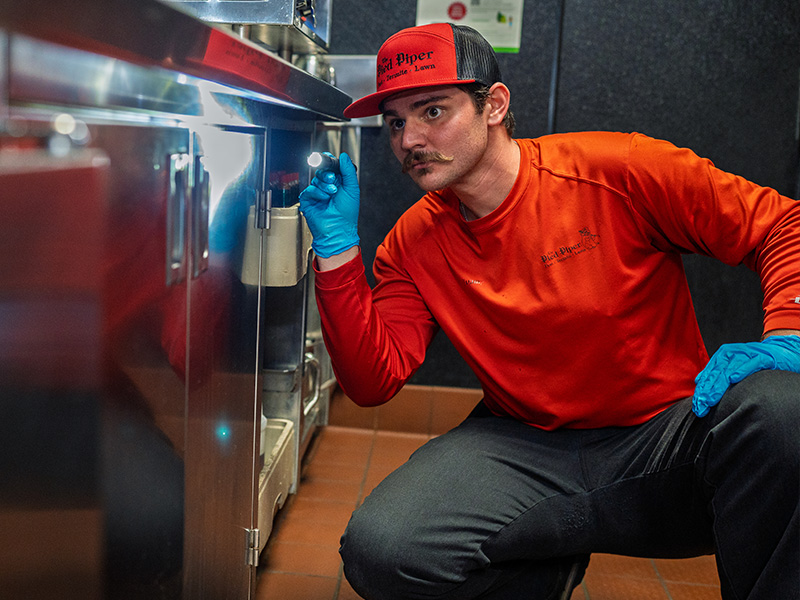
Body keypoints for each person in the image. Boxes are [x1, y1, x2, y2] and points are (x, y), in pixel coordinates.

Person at [299, 22, 799, 600]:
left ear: (495, 106)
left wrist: (787, 332)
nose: (408, 139)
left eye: (432, 111)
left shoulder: (617, 170)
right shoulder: (413, 242)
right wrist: (337, 253)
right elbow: (372, 380)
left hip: (664, 439)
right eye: (394, 122)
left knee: (784, 410)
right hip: (524, 446)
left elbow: (782, 223)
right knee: (382, 548)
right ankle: (542, 572)